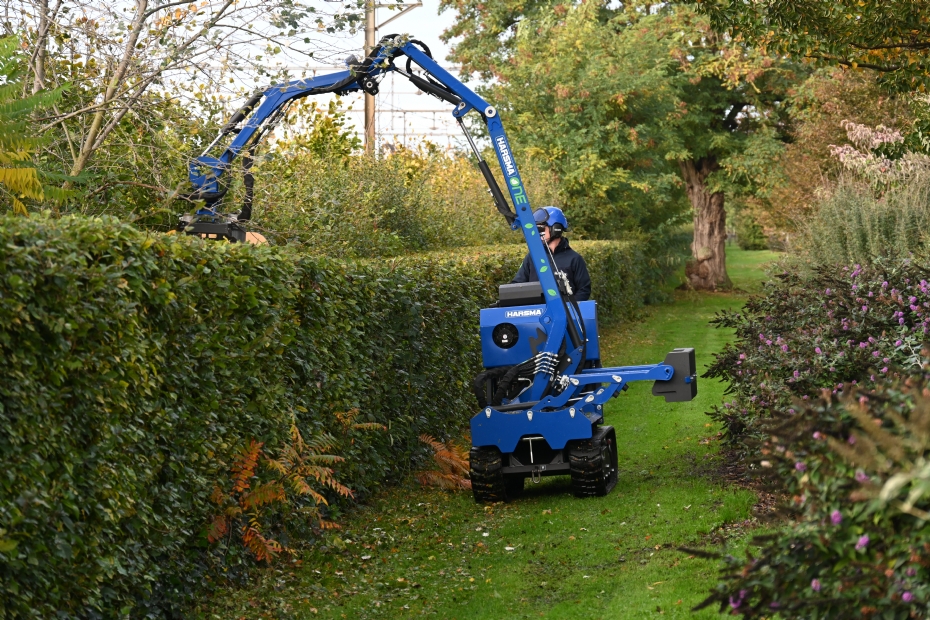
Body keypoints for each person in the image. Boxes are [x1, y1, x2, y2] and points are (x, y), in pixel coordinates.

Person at [511, 206, 591, 301]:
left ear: (556, 228)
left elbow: (584, 290)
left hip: (565, 314)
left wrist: (568, 310)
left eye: (541, 229)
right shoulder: (532, 257)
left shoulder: (574, 259)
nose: (538, 233)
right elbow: (516, 286)